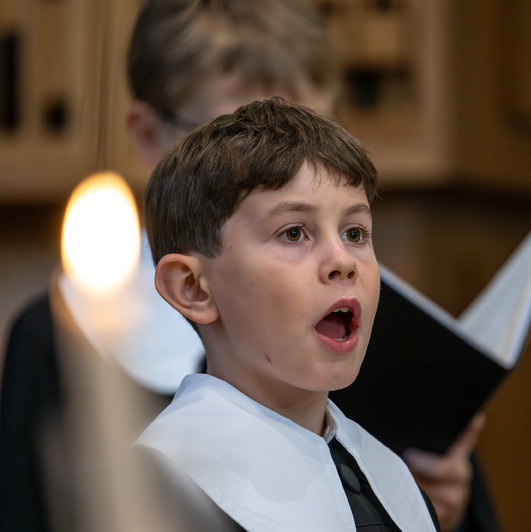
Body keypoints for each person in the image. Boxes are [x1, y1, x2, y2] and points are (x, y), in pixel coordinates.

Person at [0, 2, 497, 531]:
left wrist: (447, 509)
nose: (292, 163)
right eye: (239, 137)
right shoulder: (61, 340)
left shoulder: (358, 325)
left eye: (355, 233)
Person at [136, 96, 438, 531]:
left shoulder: (393, 483)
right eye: (294, 233)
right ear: (193, 288)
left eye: (355, 232)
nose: (343, 260)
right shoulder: (158, 494)